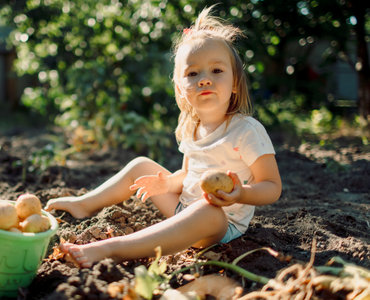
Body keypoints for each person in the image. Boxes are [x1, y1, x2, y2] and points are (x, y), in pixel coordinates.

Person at [45, 5, 282, 268]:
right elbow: (188, 176)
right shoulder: (191, 127)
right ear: (181, 89)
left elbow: (272, 187)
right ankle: (85, 204)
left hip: (219, 224)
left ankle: (112, 248)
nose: (204, 79)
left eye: (217, 71)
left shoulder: (246, 131)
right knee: (140, 165)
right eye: (193, 73)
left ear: (236, 82)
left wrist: (240, 193)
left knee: (207, 211)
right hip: (183, 209)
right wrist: (167, 185)